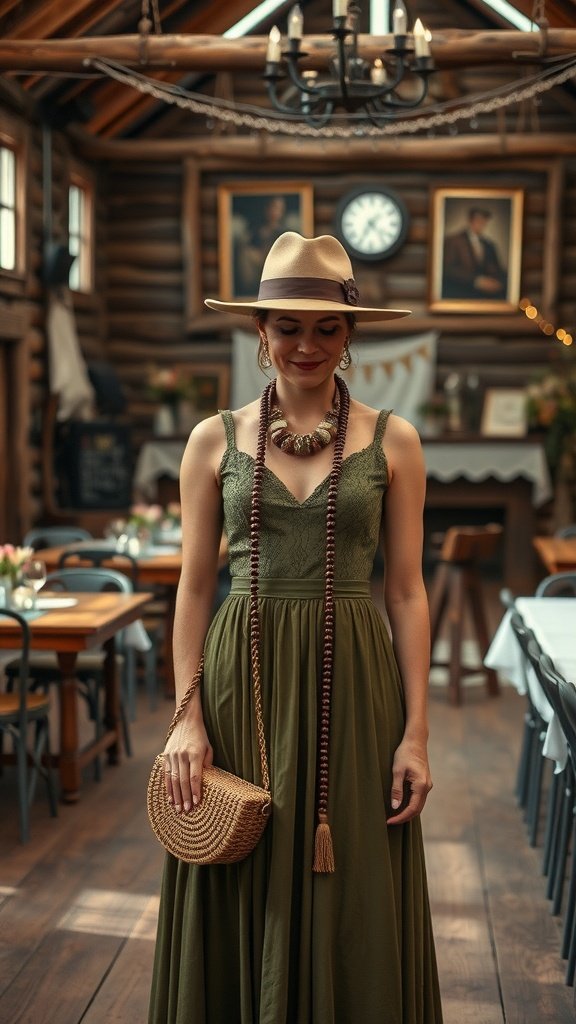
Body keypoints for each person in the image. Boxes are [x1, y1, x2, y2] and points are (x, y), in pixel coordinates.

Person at [148, 232, 443, 1023]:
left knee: (353, 877)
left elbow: (408, 593)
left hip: (353, 687)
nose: (305, 344)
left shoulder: (396, 441)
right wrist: (186, 717)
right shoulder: (213, 439)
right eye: (287, 325)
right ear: (261, 331)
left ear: (350, 337)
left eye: (326, 328)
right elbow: (195, 584)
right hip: (240, 683)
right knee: (239, 861)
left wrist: (416, 732)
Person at [442, 206, 507, 300]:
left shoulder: (488, 244)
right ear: (470, 220)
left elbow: (497, 268)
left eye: (484, 221)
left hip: (487, 295)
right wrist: (477, 281)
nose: (481, 224)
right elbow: (448, 269)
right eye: (478, 220)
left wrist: (497, 282)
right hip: (461, 292)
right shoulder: (454, 241)